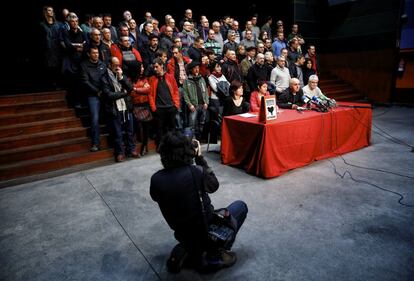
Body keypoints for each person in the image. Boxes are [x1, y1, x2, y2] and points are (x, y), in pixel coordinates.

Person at [150, 130, 248, 272]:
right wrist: (200, 157)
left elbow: (156, 196)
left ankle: (190, 249)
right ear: (188, 151)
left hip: (181, 232)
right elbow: (214, 185)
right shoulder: (196, 171)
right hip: (205, 231)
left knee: (190, 226)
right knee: (240, 206)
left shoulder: (156, 179)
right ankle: (215, 253)